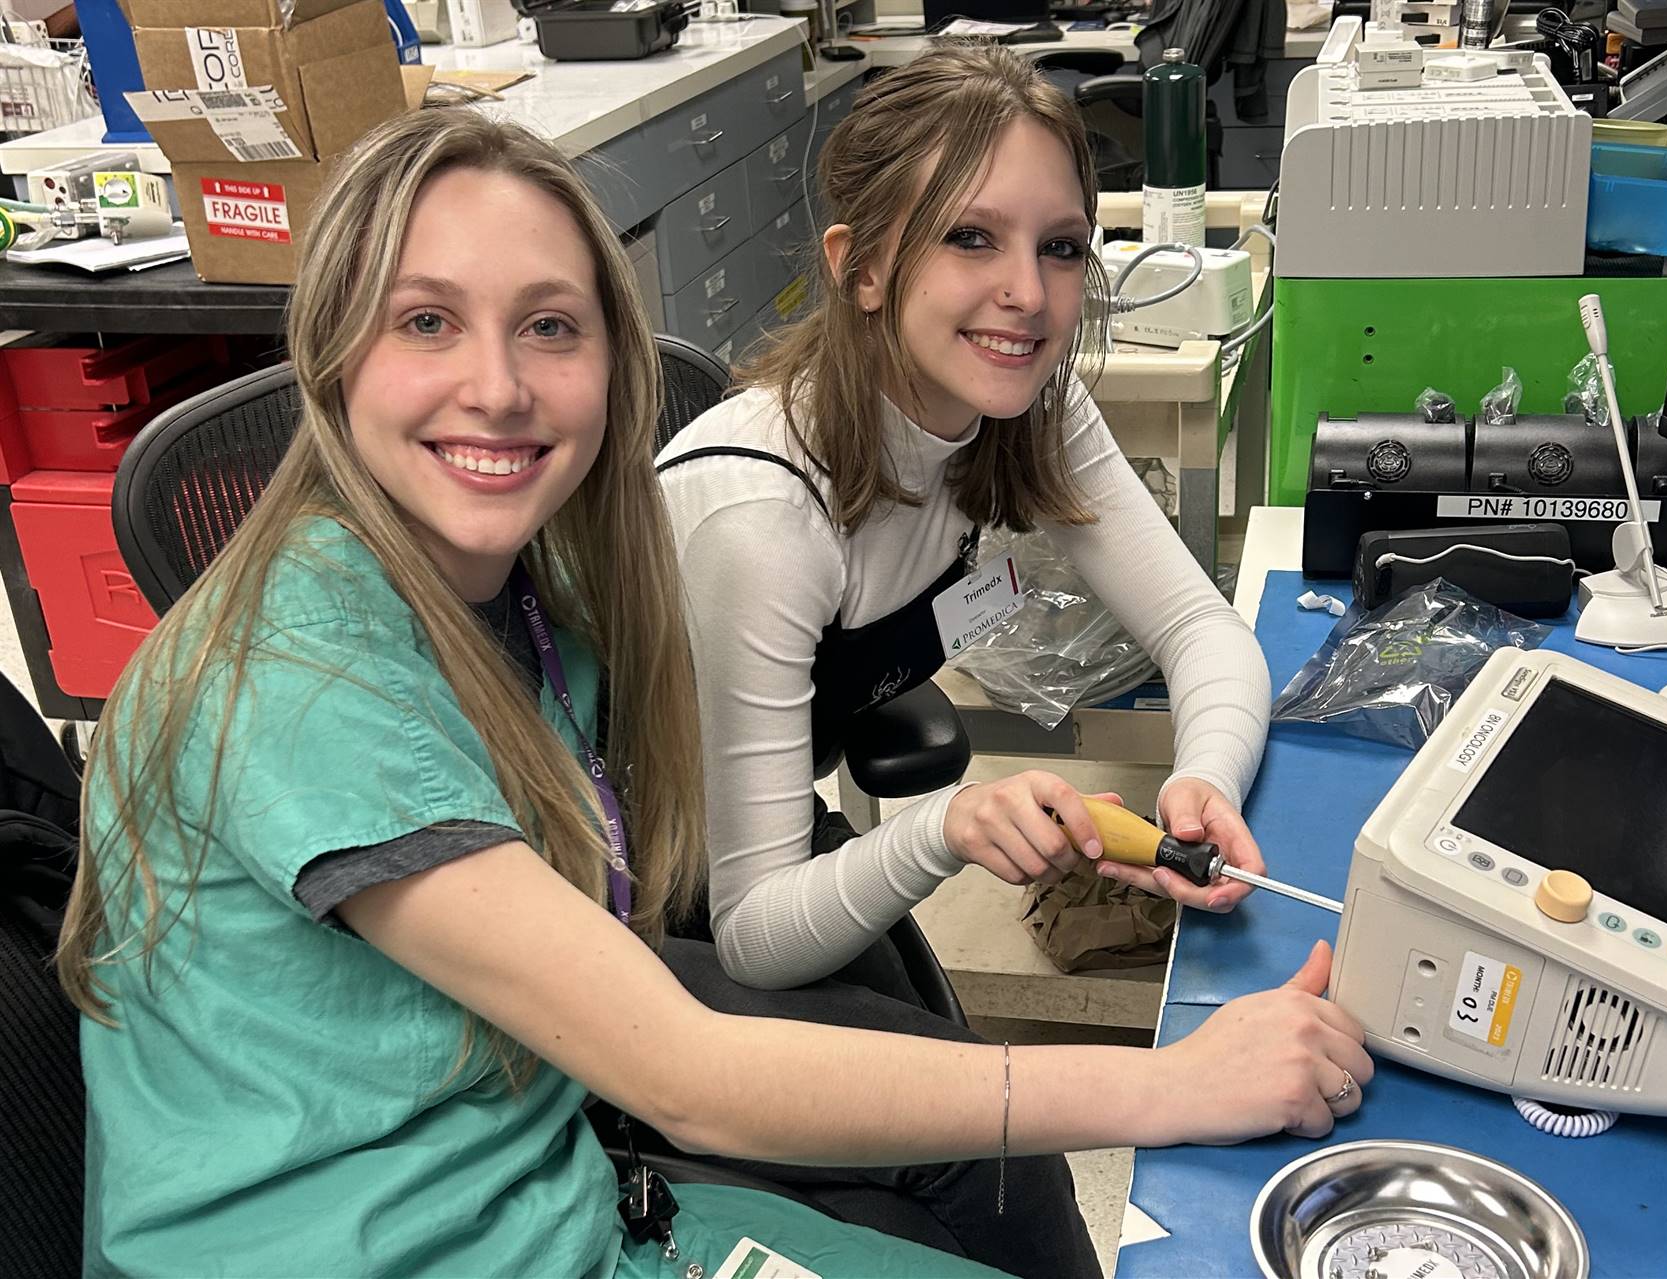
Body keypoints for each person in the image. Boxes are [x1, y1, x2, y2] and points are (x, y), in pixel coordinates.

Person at [59, 106, 1372, 1279]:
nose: (500, 385)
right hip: (415, 1216)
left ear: (613, 361)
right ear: (331, 345)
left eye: (550, 326)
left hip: (534, 1141)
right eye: (425, 321)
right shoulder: (305, 672)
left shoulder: (525, 576)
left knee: (981, 1148)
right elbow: (691, 1068)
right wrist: (1176, 1082)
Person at [656, 49, 1272, 995]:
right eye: (971, 238)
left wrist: (1204, 783)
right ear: (858, 267)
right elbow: (751, 932)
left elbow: (1200, 630)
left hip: (758, 851)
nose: (1028, 293)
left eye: (1061, 246)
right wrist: (949, 826)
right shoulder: (764, 521)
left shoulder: (1027, 409)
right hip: (635, 883)